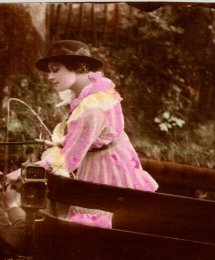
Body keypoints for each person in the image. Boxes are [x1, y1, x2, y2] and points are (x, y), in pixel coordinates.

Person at [32, 40, 158, 228]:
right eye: (49, 70)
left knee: (93, 222)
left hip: (105, 170)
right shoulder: (95, 94)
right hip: (114, 160)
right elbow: (79, 140)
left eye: (55, 69)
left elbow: (68, 159)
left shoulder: (93, 106)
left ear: (80, 67)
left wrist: (29, 168)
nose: (50, 76)